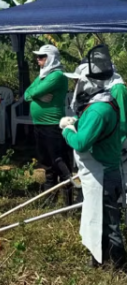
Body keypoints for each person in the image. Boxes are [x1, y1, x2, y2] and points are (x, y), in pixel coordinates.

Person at [61, 44, 126, 269]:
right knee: (98, 220)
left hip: (103, 175)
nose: (76, 86)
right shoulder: (104, 103)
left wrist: (67, 130)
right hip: (105, 171)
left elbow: (81, 142)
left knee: (108, 223)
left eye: (78, 81)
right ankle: (99, 262)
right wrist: (77, 123)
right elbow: (92, 129)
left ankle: (118, 267)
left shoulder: (99, 109)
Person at [25, 45, 71, 205]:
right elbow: (27, 94)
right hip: (40, 124)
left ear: (51, 57)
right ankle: (50, 199)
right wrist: (36, 95)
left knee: (60, 162)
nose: (38, 60)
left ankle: (68, 202)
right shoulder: (42, 76)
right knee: (47, 164)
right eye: (38, 57)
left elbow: (34, 93)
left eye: (42, 57)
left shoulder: (57, 75)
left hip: (53, 125)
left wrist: (36, 95)